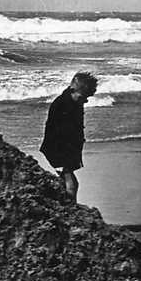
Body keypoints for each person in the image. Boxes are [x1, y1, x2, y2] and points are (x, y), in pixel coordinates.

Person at [40, 72, 98, 203]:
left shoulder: (75, 102)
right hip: (58, 149)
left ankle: (63, 204)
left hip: (66, 148)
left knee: (65, 181)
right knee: (72, 183)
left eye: (87, 98)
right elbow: (56, 132)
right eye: (83, 97)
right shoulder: (61, 105)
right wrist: (64, 158)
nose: (85, 101)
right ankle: (71, 209)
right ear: (72, 90)